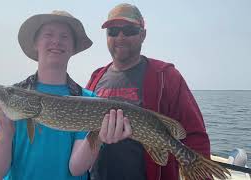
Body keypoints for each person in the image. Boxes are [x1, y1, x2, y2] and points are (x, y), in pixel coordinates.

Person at [0, 10, 132, 180]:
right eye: (48, 34)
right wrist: (5, 130)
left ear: (73, 48)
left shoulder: (89, 101)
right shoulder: (12, 97)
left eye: (65, 36)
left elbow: (76, 168)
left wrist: (98, 138)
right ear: (35, 43)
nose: (56, 41)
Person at [86, 3, 211, 180]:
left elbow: (195, 135)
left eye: (129, 30)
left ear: (142, 34)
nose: (120, 37)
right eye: (113, 31)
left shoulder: (166, 76)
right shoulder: (96, 77)